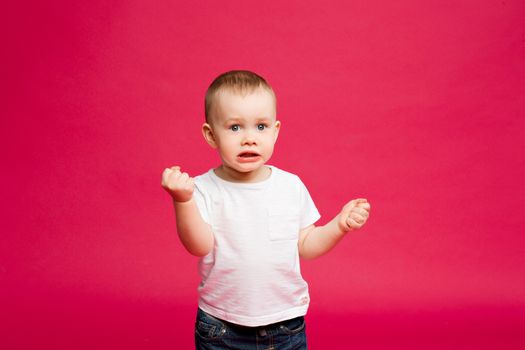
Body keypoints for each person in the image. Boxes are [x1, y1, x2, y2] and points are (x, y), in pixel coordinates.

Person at [161, 70, 371, 349]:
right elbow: (199, 246)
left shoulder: (290, 186)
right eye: (235, 127)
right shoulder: (201, 188)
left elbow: (306, 245)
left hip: (284, 325)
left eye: (261, 127)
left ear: (275, 131)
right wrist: (183, 200)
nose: (249, 138)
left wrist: (339, 225)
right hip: (221, 327)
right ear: (211, 135)